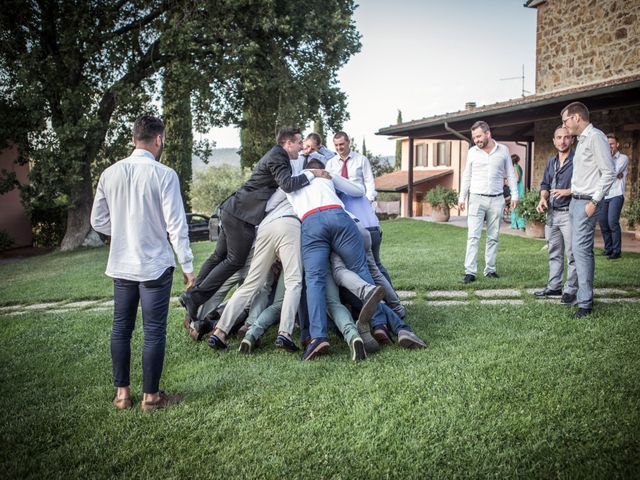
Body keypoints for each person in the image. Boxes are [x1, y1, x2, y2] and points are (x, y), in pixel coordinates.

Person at [90, 115, 195, 412]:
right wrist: (187, 266)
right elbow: (176, 226)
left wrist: (122, 231)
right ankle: (151, 397)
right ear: (158, 139)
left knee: (121, 328)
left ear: (135, 137)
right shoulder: (164, 174)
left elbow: (97, 220)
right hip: (154, 267)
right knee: (153, 331)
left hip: (122, 264)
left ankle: (122, 395)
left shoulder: (109, 173)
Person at [179, 127, 326, 322]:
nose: (301, 147)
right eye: (299, 142)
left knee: (218, 256)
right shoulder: (279, 157)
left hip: (234, 210)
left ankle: (193, 295)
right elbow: (288, 185)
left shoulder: (277, 155)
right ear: (288, 143)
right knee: (234, 261)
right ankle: (194, 297)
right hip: (242, 215)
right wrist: (312, 174)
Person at [560, 101, 616, 318]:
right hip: (575, 201)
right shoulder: (581, 140)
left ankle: (585, 303)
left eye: (565, 120)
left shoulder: (596, 137)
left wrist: (594, 201)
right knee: (574, 250)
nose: (564, 125)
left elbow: (608, 172)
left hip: (586, 203)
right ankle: (573, 292)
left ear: (576, 118)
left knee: (582, 252)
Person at [325, 132, 392, 281]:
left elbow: (369, 182)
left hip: (361, 206)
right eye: (336, 145)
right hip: (343, 208)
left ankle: (391, 297)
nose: (339, 148)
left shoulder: (361, 160)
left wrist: (368, 201)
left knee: (374, 262)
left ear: (348, 142)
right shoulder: (331, 163)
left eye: (341, 144)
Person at [458, 121, 518, 284]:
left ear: (488, 134)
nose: (476, 140)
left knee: (493, 236)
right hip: (476, 198)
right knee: (473, 236)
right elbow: (467, 175)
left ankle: (490, 269)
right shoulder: (472, 152)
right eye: (474, 137)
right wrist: (462, 197)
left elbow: (511, 175)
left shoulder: (503, 150)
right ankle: (470, 272)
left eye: (478, 136)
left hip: (497, 199)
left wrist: (515, 195)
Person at [534, 126, 577, 305]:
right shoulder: (551, 162)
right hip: (552, 213)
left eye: (566, 137)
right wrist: (542, 199)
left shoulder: (578, 161)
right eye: (559, 138)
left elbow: (586, 184)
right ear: (554, 140)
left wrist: (567, 191)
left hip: (569, 213)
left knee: (572, 254)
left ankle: (571, 290)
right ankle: (554, 286)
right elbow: (544, 184)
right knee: (554, 252)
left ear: (572, 140)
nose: (562, 141)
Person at [598, 133, 628, 259]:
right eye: (607, 144)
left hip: (616, 194)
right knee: (603, 223)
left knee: (612, 222)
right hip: (604, 195)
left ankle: (616, 251)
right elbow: (599, 174)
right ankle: (608, 249)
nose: (609, 146)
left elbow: (610, 172)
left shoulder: (623, 158)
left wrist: (609, 172)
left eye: (611, 144)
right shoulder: (603, 158)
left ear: (617, 144)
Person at [510, 154, 526, 230]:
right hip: (519, 188)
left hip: (517, 189)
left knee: (516, 206)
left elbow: (517, 179)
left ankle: (518, 225)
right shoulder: (518, 167)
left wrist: (509, 182)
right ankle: (517, 224)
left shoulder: (515, 167)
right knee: (517, 206)